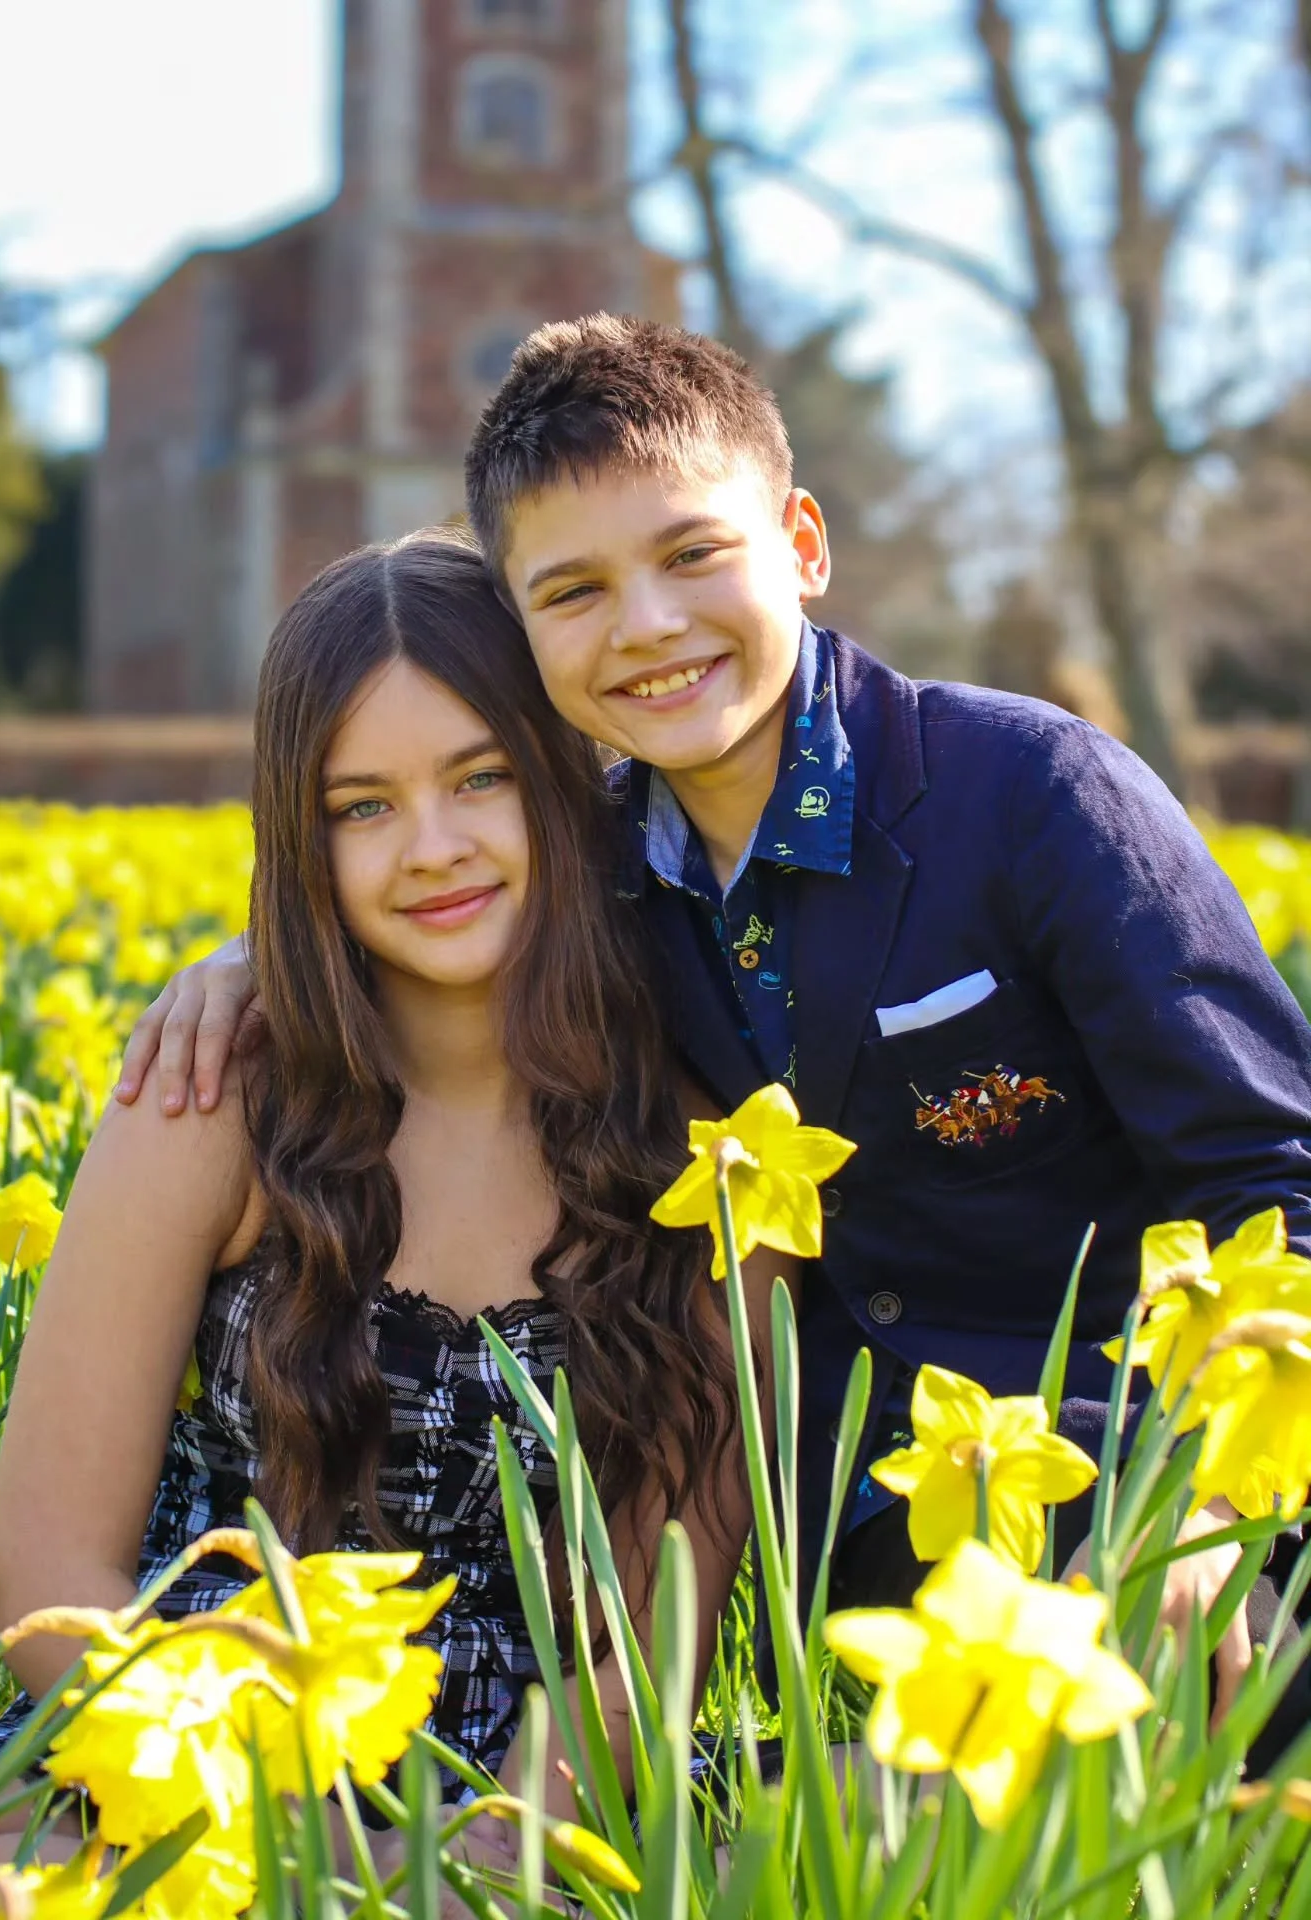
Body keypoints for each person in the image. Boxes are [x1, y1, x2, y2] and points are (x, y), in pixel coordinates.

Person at [123, 315, 1311, 1732]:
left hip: (1140, 1511)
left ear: (801, 541)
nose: (649, 627)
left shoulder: (1037, 800)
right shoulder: (595, 888)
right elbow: (405, 895)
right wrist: (251, 960)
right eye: (574, 590)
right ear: (524, 630)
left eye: (695, 554)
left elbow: (1276, 1185)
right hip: (856, 1571)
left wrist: (1208, 1516)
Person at [0, 530, 765, 1878]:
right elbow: (51, 1572)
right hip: (192, 1743)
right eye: (364, 806)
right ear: (303, 834)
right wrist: (268, 1842)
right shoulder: (216, 1095)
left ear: (569, 787)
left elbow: (654, 1634)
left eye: (484, 780)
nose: (434, 849)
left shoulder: (709, 1156)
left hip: (546, 1791)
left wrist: (466, 1862)